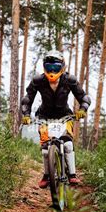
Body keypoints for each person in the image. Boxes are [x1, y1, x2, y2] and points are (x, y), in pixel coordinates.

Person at [20, 50, 91, 188]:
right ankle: (47, 175)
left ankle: (72, 175)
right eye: (49, 67)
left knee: (68, 144)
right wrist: (26, 115)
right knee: (46, 149)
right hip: (44, 117)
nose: (52, 71)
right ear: (44, 67)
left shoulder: (69, 80)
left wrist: (82, 110)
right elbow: (27, 99)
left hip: (65, 116)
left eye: (56, 67)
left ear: (62, 67)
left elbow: (84, 97)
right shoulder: (38, 81)